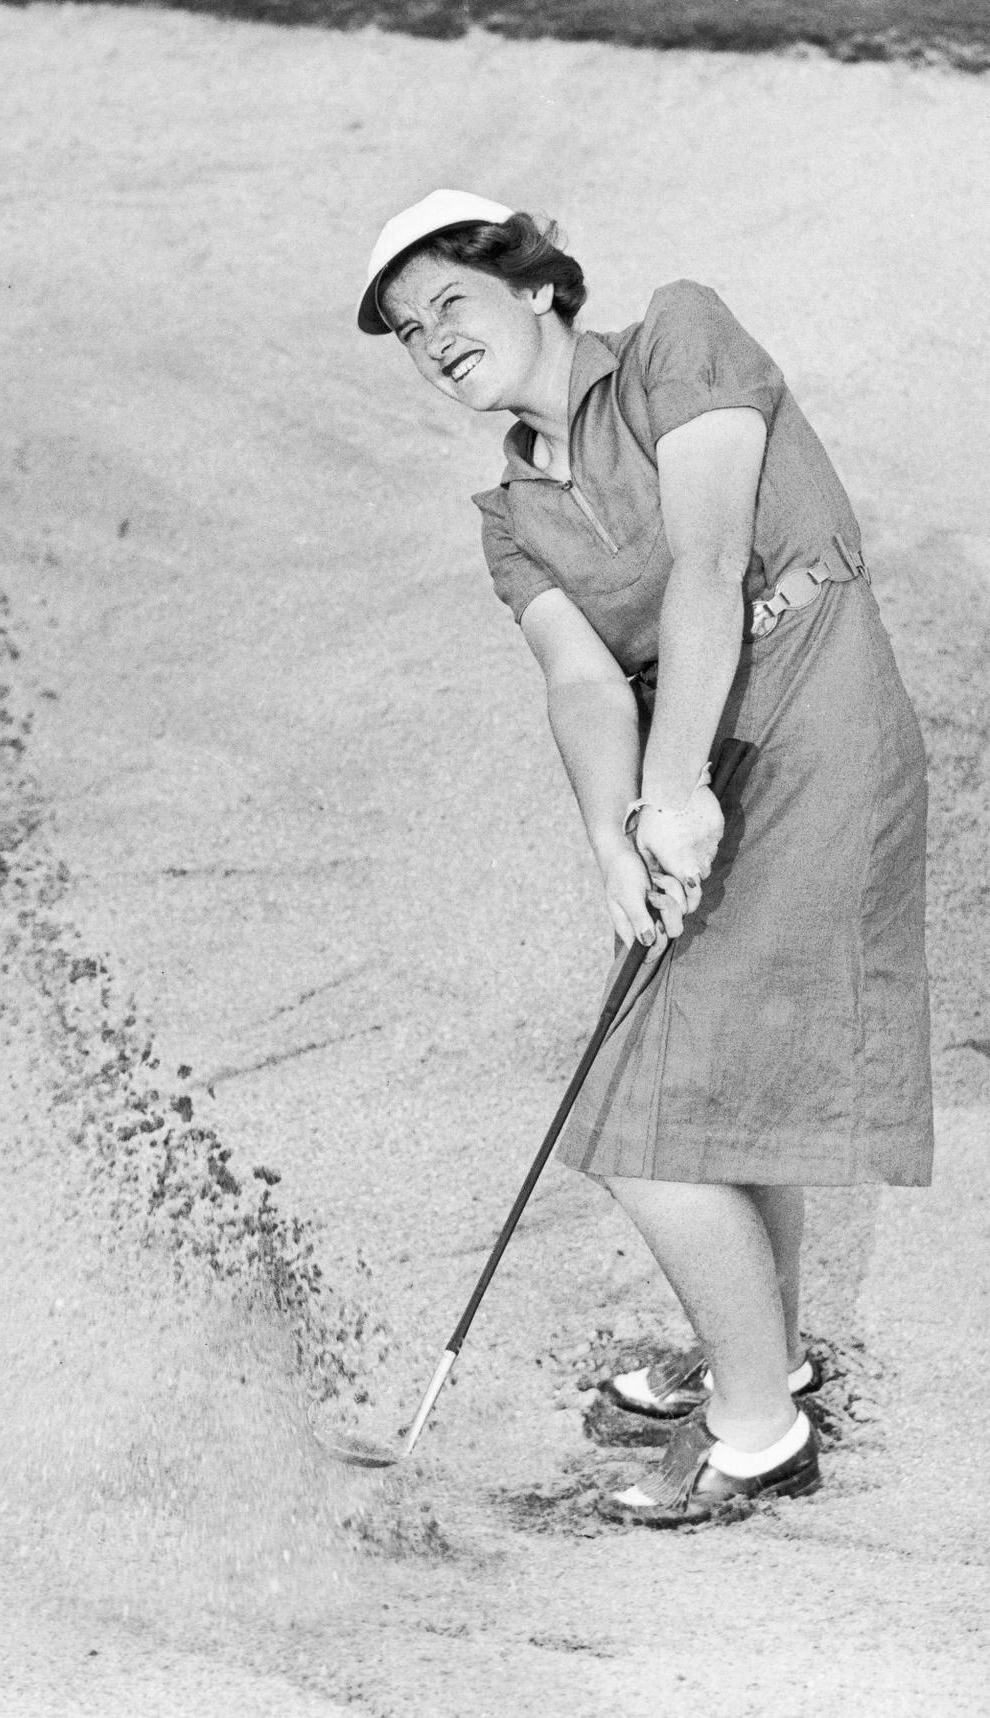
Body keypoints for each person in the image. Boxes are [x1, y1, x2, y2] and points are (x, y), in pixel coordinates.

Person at [357, 189, 933, 1526]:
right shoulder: (510, 515)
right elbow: (583, 685)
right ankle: (766, 1348)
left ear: (537, 283)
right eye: (405, 332)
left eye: (451, 301)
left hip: (817, 725)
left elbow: (711, 558)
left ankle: (758, 1431)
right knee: (711, 1080)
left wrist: (675, 792)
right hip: (701, 753)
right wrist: (620, 835)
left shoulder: (678, 337)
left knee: (642, 1114)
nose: (433, 340)